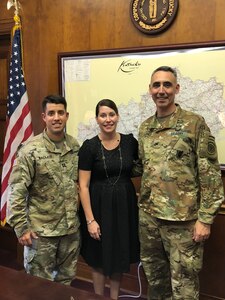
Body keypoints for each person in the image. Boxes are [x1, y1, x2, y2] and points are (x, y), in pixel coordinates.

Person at [138, 66, 224, 300]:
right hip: (150, 220)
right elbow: (144, 167)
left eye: (167, 85)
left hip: (183, 222)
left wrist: (205, 219)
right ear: (150, 90)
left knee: (184, 286)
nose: (161, 90)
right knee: (155, 281)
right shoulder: (146, 127)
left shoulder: (194, 124)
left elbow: (211, 175)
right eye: (156, 85)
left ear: (177, 88)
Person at [7, 95, 80, 285]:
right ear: (44, 117)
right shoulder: (30, 150)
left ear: (67, 115)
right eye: (51, 113)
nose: (56, 117)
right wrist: (21, 228)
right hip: (41, 234)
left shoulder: (74, 146)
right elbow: (16, 191)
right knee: (39, 286)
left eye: (60, 113)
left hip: (70, 232)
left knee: (66, 283)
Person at [78, 99, 140, 300]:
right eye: (103, 115)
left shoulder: (131, 142)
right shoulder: (89, 147)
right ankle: (98, 297)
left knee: (119, 255)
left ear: (118, 116)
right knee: (98, 258)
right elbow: (83, 186)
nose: (108, 119)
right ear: (97, 119)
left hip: (124, 208)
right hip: (97, 208)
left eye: (111, 114)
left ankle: (114, 297)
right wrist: (90, 220)